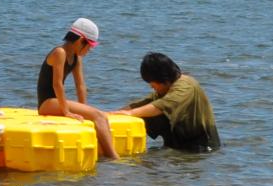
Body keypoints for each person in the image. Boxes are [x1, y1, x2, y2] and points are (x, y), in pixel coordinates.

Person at [36, 18, 118, 160]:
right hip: (46, 103)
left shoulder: (76, 58)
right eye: (89, 46)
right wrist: (66, 111)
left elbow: (80, 86)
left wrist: (84, 108)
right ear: (80, 40)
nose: (89, 50)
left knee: (101, 116)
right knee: (98, 116)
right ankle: (114, 158)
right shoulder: (59, 53)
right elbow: (57, 84)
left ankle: (106, 154)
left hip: (56, 101)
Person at [114, 53, 221, 153]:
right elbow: (143, 104)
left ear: (163, 78)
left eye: (152, 83)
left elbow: (163, 105)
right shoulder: (167, 87)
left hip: (202, 147)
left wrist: (130, 114)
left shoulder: (185, 87)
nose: (151, 86)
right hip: (180, 144)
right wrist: (113, 114)